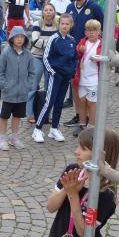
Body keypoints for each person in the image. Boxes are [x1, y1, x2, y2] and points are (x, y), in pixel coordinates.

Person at [32, 13, 78, 143]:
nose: (64, 26)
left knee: (59, 103)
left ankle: (54, 128)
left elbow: (74, 58)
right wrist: (53, 72)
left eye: (67, 24)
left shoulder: (72, 40)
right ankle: (37, 129)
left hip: (65, 77)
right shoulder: (54, 39)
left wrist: (71, 73)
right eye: (62, 23)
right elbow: (45, 58)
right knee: (49, 102)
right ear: (59, 24)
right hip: (55, 76)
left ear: (71, 25)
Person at [0, 26, 36, 150]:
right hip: (8, 92)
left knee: (17, 116)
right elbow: (0, 71)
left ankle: (14, 137)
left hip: (22, 93)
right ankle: (2, 138)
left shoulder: (28, 54)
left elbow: (32, 72)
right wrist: (4, 85)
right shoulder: (6, 52)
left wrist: (28, 85)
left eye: (22, 37)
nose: (19, 39)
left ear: (25, 39)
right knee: (4, 116)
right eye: (17, 37)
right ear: (12, 39)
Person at [27, 3, 58, 122]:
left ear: (54, 12)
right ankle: (30, 113)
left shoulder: (58, 24)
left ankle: (46, 114)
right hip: (37, 57)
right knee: (33, 85)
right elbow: (35, 42)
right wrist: (52, 44)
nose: (48, 12)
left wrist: (47, 43)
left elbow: (60, 40)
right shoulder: (37, 24)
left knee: (49, 87)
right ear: (42, 12)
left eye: (51, 10)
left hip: (51, 59)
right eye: (46, 10)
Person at [73, 20, 102, 136]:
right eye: (89, 31)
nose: (91, 33)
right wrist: (79, 51)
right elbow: (77, 53)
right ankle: (82, 124)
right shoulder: (83, 42)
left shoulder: (101, 44)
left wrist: (99, 59)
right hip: (82, 78)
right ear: (85, 32)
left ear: (99, 32)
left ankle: (91, 126)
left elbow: (106, 58)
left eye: (94, 30)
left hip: (94, 79)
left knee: (92, 103)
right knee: (82, 102)